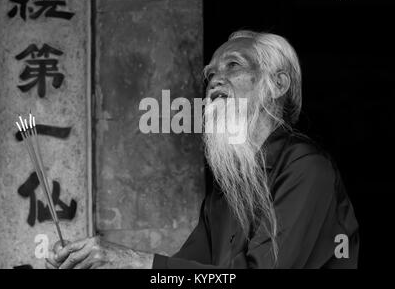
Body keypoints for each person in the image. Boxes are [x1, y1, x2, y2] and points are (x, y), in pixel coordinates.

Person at [46, 30, 359, 269]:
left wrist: (132, 260)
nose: (214, 81)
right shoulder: (223, 195)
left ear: (278, 84)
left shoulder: (306, 169)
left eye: (232, 66)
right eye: (210, 74)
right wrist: (101, 262)